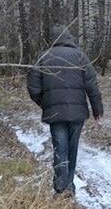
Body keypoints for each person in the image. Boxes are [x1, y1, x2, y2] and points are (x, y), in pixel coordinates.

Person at [27, 24, 104, 198]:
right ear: (68, 37)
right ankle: (68, 187)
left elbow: (33, 87)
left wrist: (46, 103)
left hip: (55, 114)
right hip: (77, 114)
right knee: (72, 149)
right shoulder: (80, 56)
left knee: (60, 149)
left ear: (52, 39)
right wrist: (97, 109)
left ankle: (61, 189)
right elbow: (92, 85)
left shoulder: (43, 57)